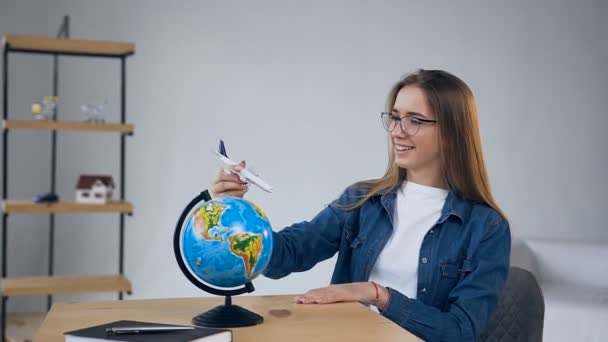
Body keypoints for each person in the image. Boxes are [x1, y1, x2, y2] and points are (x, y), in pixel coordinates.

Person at [211, 69, 511, 342]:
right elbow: (285, 256)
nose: (396, 131)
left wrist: (376, 294)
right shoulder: (362, 200)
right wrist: (234, 213)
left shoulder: (486, 227)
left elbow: (459, 333)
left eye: (414, 120)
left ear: (451, 131)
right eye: (394, 117)